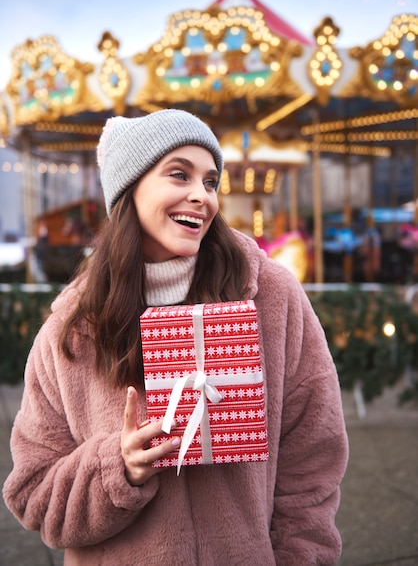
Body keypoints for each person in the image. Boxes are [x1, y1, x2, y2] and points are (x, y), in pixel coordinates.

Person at [3, 109, 349, 565]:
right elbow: (33, 496)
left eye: (209, 182)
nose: (200, 196)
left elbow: (313, 458)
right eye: (179, 175)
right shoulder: (72, 331)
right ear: (130, 188)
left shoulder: (272, 297)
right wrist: (118, 467)